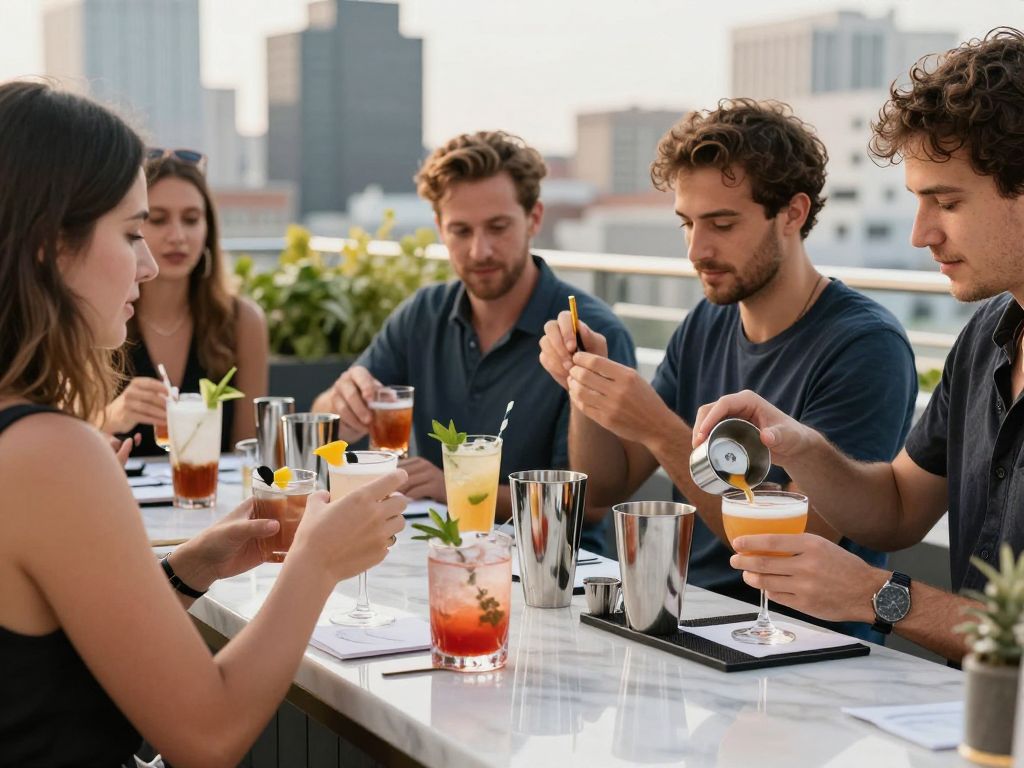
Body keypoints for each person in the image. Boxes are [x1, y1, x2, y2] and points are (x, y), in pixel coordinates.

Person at [0, 80, 406, 767]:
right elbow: (209, 736)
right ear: (50, 245)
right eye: (132, 232)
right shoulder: (48, 452)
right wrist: (317, 560)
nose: (151, 261)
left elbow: (37, 661)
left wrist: (189, 569)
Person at [691, 28, 1024, 662]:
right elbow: (897, 507)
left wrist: (880, 596)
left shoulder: (867, 336)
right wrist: (797, 443)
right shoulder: (987, 336)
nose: (921, 234)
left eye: (946, 202)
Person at [539, 99, 918, 640]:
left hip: (803, 644)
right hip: (688, 617)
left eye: (721, 223)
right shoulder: (707, 323)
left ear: (792, 213)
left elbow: (786, 543)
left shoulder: (865, 346)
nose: (697, 249)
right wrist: (587, 385)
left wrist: (657, 427)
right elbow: (603, 488)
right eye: (687, 224)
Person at [313, 131, 635, 554]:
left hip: (553, 569)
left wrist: (453, 488)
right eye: (460, 231)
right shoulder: (423, 314)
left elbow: (586, 506)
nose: (479, 250)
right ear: (439, 230)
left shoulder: (591, 333)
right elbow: (322, 420)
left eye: (498, 227)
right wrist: (341, 407)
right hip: (436, 554)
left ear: (534, 218)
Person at [97, 149, 269, 455]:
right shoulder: (100, 318)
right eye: (158, 220)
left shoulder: (243, 321)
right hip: (119, 497)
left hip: (214, 499)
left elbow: (248, 452)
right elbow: (63, 441)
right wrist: (113, 416)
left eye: (191, 220)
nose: (177, 236)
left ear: (208, 230)